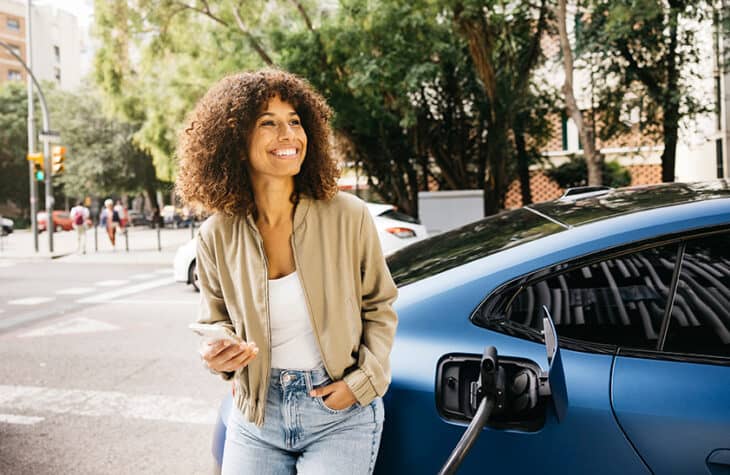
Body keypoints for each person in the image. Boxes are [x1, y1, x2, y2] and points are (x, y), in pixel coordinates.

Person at [175, 69, 398, 475]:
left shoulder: (348, 216)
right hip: (257, 414)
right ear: (235, 144)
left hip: (339, 414)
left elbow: (380, 306)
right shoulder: (215, 234)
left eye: (294, 121)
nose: (288, 134)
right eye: (268, 123)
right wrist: (220, 354)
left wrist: (360, 384)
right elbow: (215, 322)